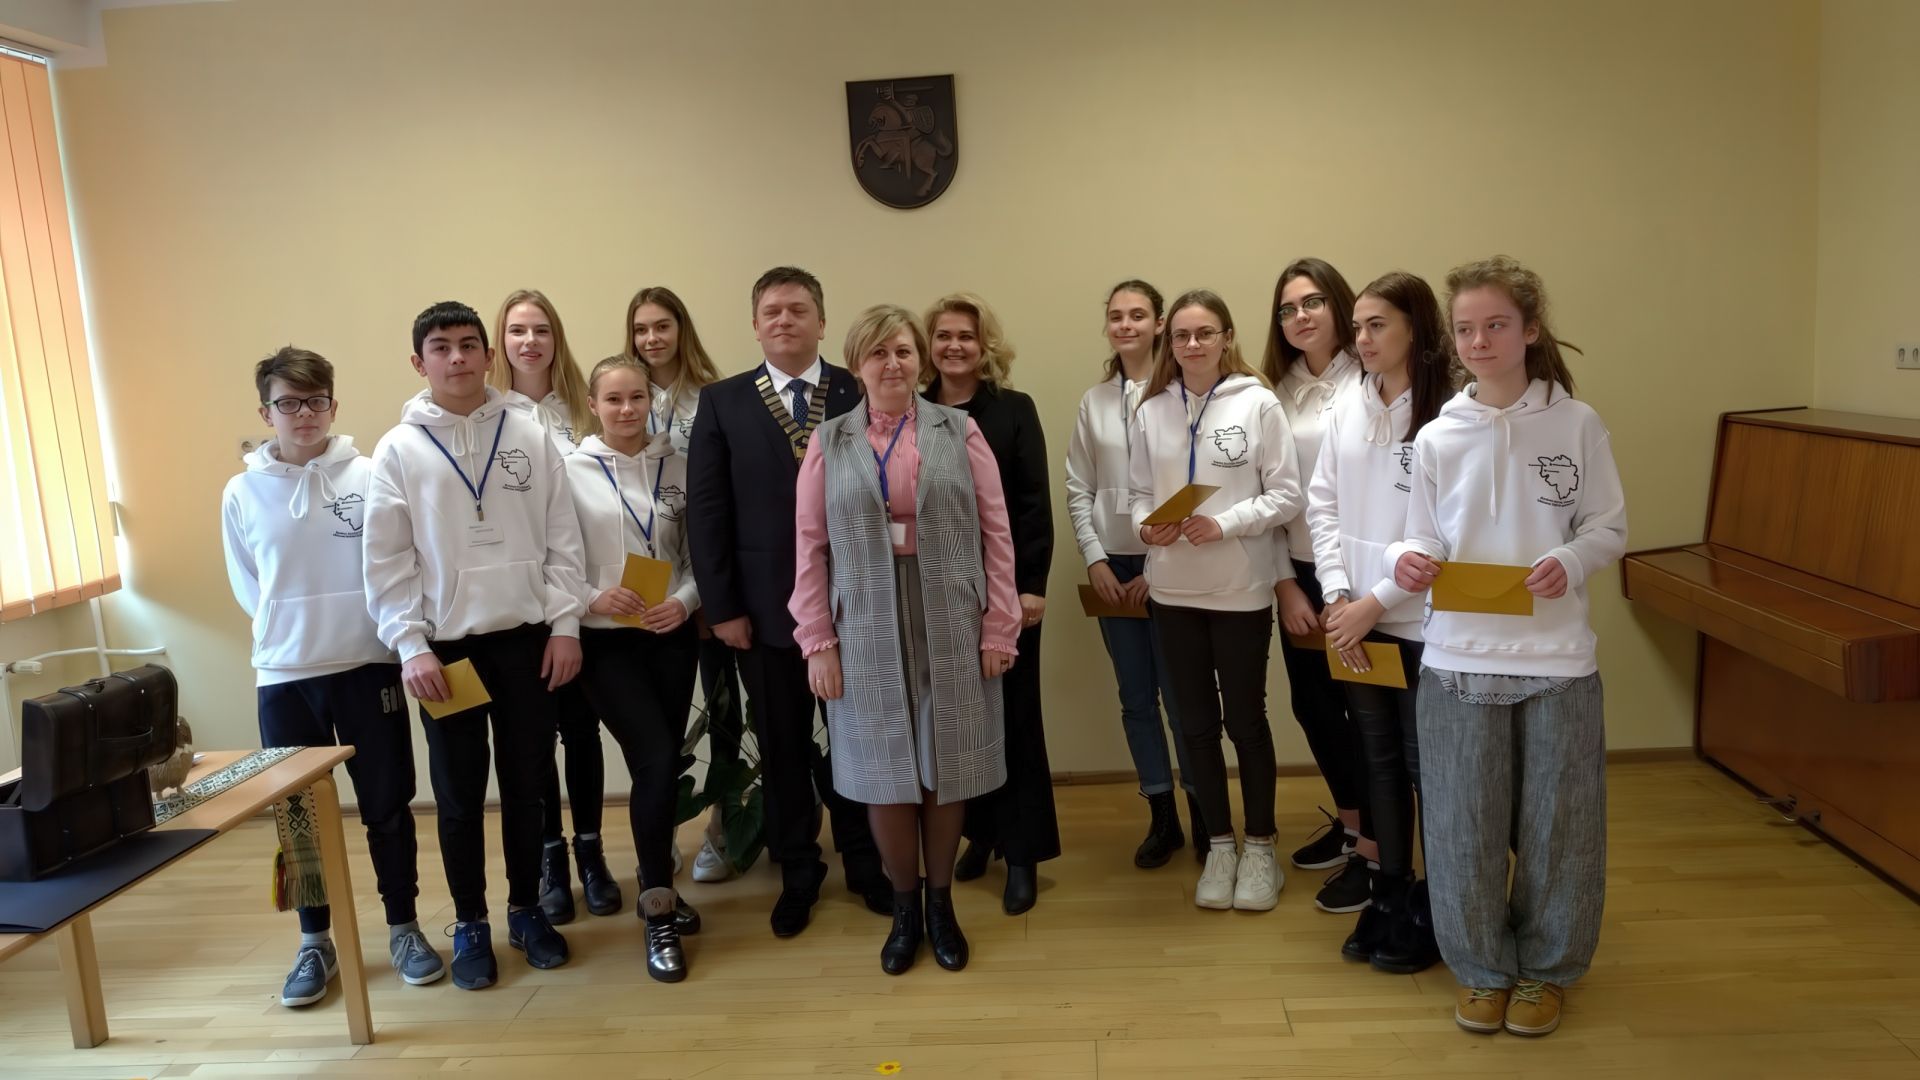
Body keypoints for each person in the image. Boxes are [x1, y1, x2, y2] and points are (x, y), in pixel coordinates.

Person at [1388, 256, 1626, 1037]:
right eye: (1466, 329)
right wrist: (1408, 559)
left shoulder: (1577, 423)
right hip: (1457, 659)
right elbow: (1422, 533)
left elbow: (1607, 528)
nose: (1480, 341)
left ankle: (1547, 970)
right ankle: (1483, 969)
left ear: (1529, 330)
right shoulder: (1437, 435)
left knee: (1560, 826)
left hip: (1557, 661)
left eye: (1495, 325)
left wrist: (1569, 560)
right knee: (1463, 826)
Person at [363, 301, 586, 990]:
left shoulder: (529, 433)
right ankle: (470, 923)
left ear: (489, 356)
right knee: (458, 796)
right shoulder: (398, 449)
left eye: (468, 345)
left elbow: (563, 537)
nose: (457, 357)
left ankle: (525, 910)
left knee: (527, 786)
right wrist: (410, 645)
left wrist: (566, 626)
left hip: (526, 643)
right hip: (447, 655)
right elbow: (387, 559)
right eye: (441, 347)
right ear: (419, 362)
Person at [792, 304, 1020, 973]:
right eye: (878, 353)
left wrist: (999, 625)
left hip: (951, 613)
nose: (892, 364)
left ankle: (941, 905)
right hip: (861, 619)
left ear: (919, 360)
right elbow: (809, 546)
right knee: (883, 767)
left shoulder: (960, 429)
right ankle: (904, 910)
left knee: (946, 759)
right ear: (856, 364)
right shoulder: (829, 441)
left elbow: (996, 532)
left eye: (902, 352)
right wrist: (818, 641)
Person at [221, 347, 444, 1007]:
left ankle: (403, 928)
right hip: (285, 675)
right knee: (299, 817)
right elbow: (249, 585)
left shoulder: (370, 474)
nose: (304, 414)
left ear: (333, 406)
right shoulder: (241, 493)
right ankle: (314, 941)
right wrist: (290, 630)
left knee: (388, 805)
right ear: (266, 411)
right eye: (289, 403)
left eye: (315, 400)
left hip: (367, 665)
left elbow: (398, 563)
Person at [686, 266, 888, 937]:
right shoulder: (723, 402)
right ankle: (799, 871)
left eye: (798, 309)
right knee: (781, 746)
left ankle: (866, 863)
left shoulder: (860, 390)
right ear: (755, 325)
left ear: (822, 321)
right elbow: (708, 512)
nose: (784, 320)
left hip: (857, 604)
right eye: (771, 311)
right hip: (765, 611)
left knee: (856, 741)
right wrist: (723, 608)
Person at [1129, 289, 1301, 913]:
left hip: (1240, 590)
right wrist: (1146, 527)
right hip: (1172, 590)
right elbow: (1138, 493)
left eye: (1205, 333)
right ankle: (1221, 846)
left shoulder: (1258, 403)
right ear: (1168, 343)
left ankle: (1260, 847)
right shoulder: (1151, 409)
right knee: (1195, 726)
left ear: (1227, 337)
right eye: (1181, 335)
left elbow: (1287, 495)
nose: (1192, 344)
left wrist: (1224, 524)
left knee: (1245, 723)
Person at [1304, 271, 1454, 972]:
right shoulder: (1347, 404)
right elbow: (1323, 505)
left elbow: (1444, 536)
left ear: (1414, 329)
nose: (1362, 339)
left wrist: (1373, 603)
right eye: (1358, 326)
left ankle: (1442, 905)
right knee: (1380, 760)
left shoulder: (1450, 414)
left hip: (1425, 625)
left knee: (1428, 767)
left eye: (1377, 325)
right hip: (1355, 620)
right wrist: (1338, 594)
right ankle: (1391, 891)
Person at [563, 354, 705, 982]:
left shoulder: (680, 464)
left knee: (664, 767)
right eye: (613, 399)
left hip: (669, 634)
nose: (626, 410)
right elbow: (551, 559)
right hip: (606, 642)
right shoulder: (569, 471)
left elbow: (698, 555)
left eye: (637, 398)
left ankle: (659, 888)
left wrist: (685, 601)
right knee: (653, 758)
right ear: (593, 405)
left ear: (652, 401)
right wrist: (593, 597)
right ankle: (657, 911)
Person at [923, 292, 1058, 915]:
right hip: (940, 595)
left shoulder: (1013, 409)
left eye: (966, 336)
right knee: (959, 721)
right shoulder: (914, 412)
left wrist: (1031, 586)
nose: (954, 346)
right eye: (943, 335)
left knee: (1015, 721)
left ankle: (1022, 854)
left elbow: (1033, 502)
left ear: (985, 346)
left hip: (1007, 594)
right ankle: (981, 834)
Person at [485, 289, 617, 924]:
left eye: (541, 329)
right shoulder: (487, 414)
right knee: (533, 742)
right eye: (517, 331)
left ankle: (591, 851)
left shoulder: (583, 411)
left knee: (582, 731)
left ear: (556, 338)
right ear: (500, 342)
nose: (529, 341)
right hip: (520, 606)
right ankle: (550, 858)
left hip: (583, 601)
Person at [1065, 280, 1202, 868]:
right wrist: (1095, 557)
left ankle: (1205, 813)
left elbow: (1195, 485)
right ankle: (1161, 814)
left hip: (1169, 561)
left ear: (1158, 324)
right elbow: (1079, 486)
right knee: (1136, 699)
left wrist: (1158, 564)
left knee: (1182, 698)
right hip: (1112, 570)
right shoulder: (1095, 401)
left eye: (1138, 315)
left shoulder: (1183, 395)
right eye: (1116, 316)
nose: (1126, 325)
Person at [1261, 257, 1375, 914]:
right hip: (1301, 573)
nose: (1299, 316)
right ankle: (1353, 827)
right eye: (1287, 308)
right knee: (1315, 707)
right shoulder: (1274, 391)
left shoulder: (1370, 379)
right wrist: (1285, 583)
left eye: (1311, 303)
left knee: (1368, 715)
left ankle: (1378, 850)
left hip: (1362, 577)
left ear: (1339, 305)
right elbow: (1267, 494)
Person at [625, 285, 741, 884]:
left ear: (681, 329)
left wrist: (711, 591)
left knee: (723, 704)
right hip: (653, 576)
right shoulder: (626, 394)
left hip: (713, 569)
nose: (652, 338)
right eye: (641, 328)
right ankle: (662, 831)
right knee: (662, 718)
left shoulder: (713, 396)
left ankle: (724, 825)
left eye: (662, 326)